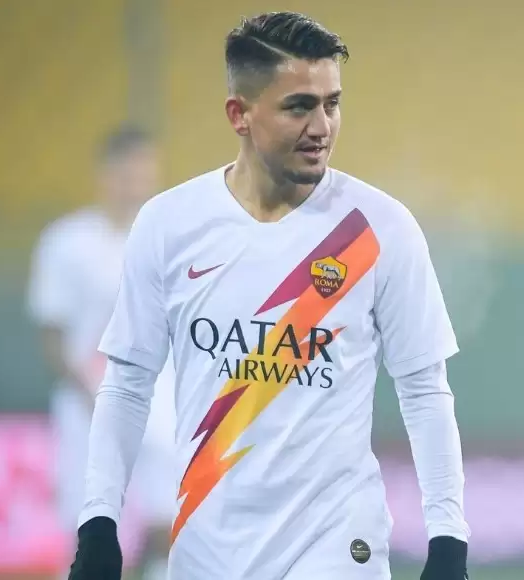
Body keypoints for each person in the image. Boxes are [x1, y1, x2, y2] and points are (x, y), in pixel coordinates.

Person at [69, 11, 470, 580]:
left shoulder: (380, 230)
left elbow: (425, 390)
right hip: (206, 545)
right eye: (298, 106)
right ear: (239, 114)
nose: (322, 126)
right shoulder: (168, 225)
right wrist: (99, 522)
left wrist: (449, 539)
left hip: (336, 542)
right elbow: (127, 384)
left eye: (332, 103)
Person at [27, 126, 177, 580]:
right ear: (106, 173)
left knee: (169, 512)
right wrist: (88, 392)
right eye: (127, 171)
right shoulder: (67, 241)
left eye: (144, 171)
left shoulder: (165, 241)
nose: (136, 181)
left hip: (159, 398)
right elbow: (52, 331)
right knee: (92, 522)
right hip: (87, 401)